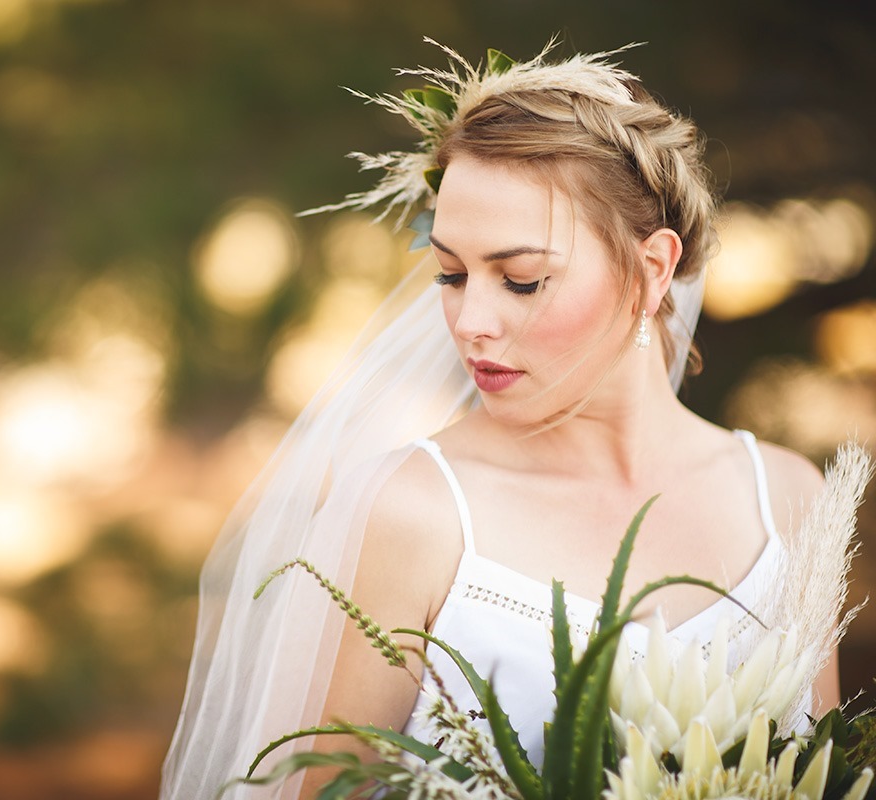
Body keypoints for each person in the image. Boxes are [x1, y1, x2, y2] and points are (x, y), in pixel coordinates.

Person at [161, 40, 854, 800]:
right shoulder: (410, 515)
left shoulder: (789, 501)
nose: (470, 322)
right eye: (451, 274)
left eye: (522, 281)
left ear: (652, 270)